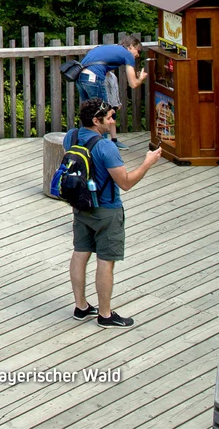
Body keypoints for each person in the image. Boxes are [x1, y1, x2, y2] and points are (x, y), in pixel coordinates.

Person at [65, 98, 163, 328]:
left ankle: (81, 306)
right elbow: (126, 182)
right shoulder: (106, 146)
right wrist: (147, 162)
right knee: (106, 260)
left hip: (80, 205)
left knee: (80, 253)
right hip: (107, 209)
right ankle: (105, 315)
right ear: (95, 120)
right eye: (108, 118)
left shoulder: (72, 136)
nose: (112, 121)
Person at [77, 36, 144, 108]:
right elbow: (133, 84)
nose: (138, 55)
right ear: (131, 46)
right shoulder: (128, 54)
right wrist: (141, 78)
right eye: (138, 51)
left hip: (80, 77)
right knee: (102, 111)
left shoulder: (108, 49)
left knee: (88, 111)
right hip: (93, 78)